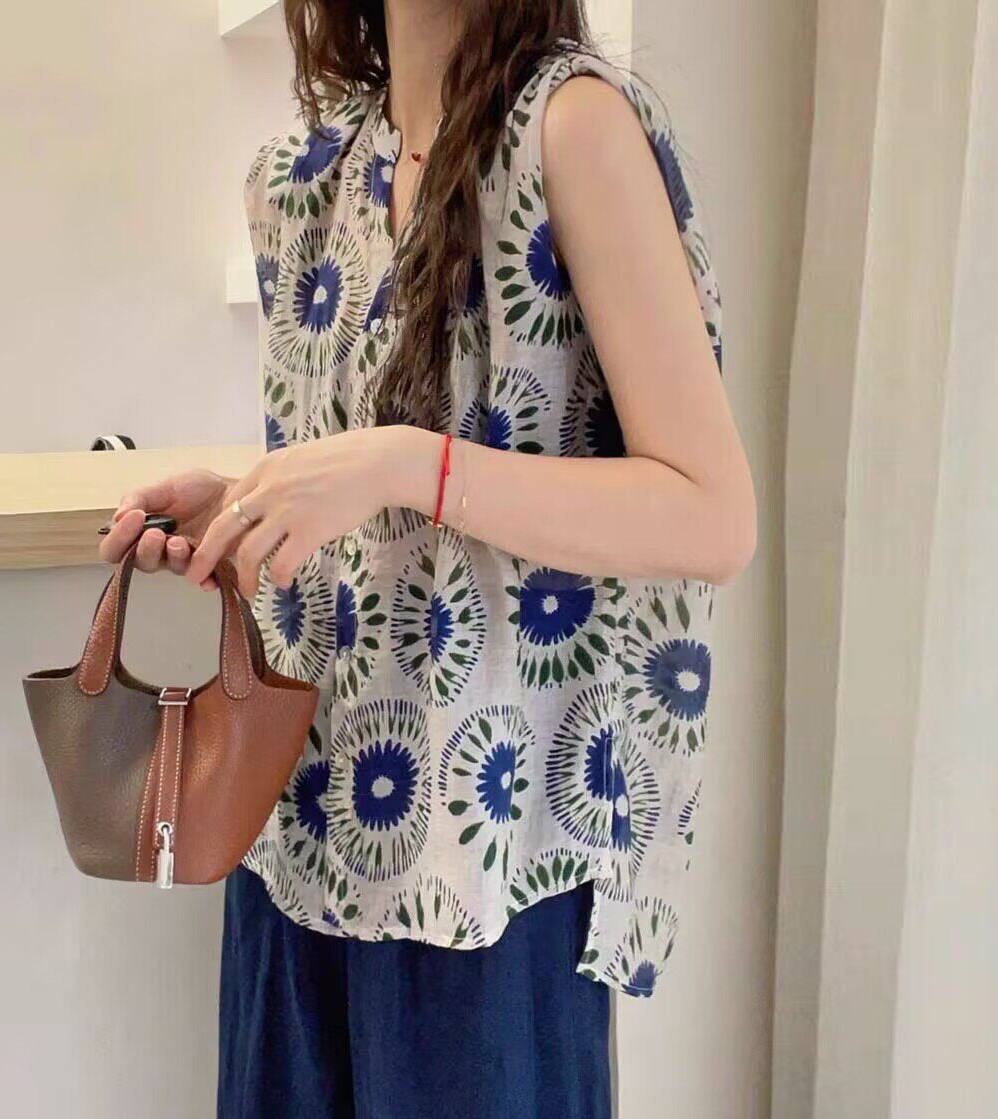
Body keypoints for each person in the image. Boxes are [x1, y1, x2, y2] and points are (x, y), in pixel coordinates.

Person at [99, 2, 756, 1115]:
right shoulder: (307, 177)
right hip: (296, 829)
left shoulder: (568, 128)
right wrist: (250, 507)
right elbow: (379, 520)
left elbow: (709, 515)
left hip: (484, 862)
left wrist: (407, 465)